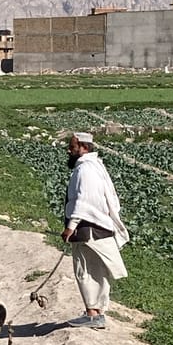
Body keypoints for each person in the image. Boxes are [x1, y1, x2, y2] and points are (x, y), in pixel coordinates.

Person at [61, 132, 129, 328]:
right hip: (100, 226)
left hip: (86, 227)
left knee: (85, 270)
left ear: (83, 147)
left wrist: (70, 227)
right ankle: (97, 311)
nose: (69, 150)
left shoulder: (85, 170)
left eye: (72, 147)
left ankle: (92, 313)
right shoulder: (96, 166)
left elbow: (84, 201)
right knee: (98, 270)